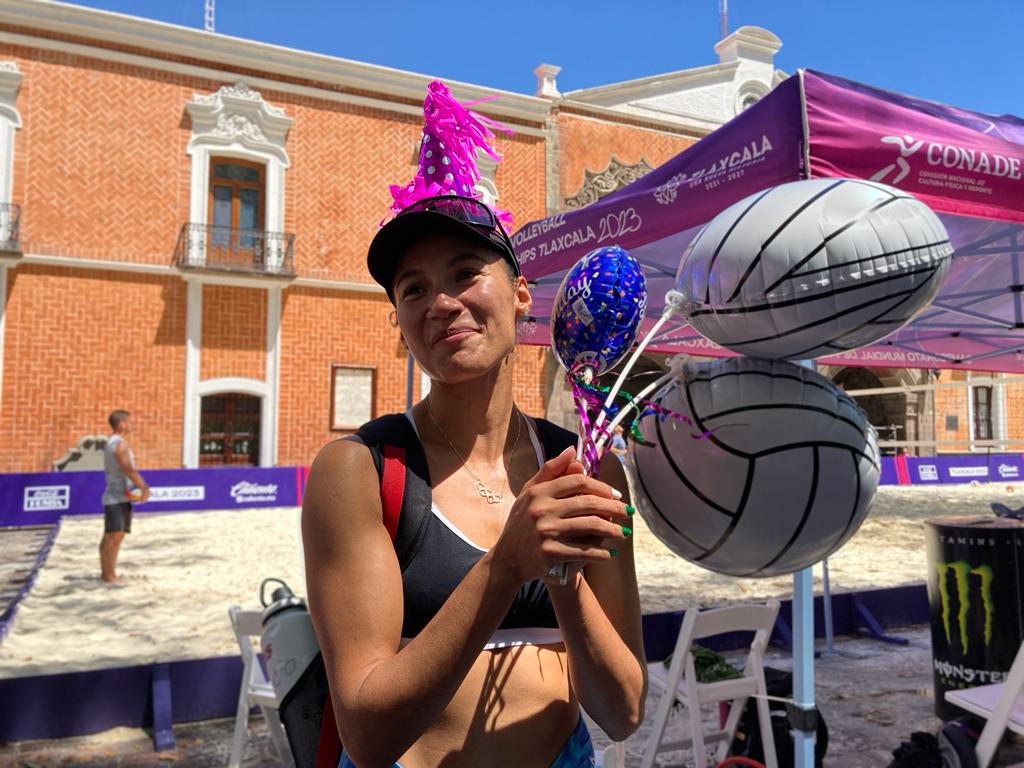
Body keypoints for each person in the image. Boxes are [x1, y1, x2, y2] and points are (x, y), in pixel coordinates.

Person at [302, 195, 646, 767]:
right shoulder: (362, 469)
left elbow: (623, 712)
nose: (441, 302)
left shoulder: (588, 469)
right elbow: (366, 735)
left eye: (465, 273)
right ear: (400, 324)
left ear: (520, 295)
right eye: (413, 289)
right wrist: (506, 565)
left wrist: (562, 579)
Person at [100, 409, 149, 583]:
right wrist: (144, 487)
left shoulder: (114, 442)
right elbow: (128, 469)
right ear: (121, 424)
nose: (132, 424)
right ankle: (109, 575)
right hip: (116, 497)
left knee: (113, 536)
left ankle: (108, 573)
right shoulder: (119, 444)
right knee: (113, 536)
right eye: (129, 421)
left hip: (119, 495)